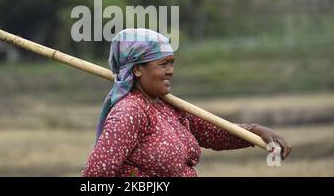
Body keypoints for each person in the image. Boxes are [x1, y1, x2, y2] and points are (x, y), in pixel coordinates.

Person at [82, 28, 292, 177]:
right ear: (137, 69)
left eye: (172, 63)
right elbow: (95, 177)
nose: (170, 71)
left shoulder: (167, 106)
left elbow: (214, 134)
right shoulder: (130, 111)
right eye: (163, 64)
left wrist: (255, 132)